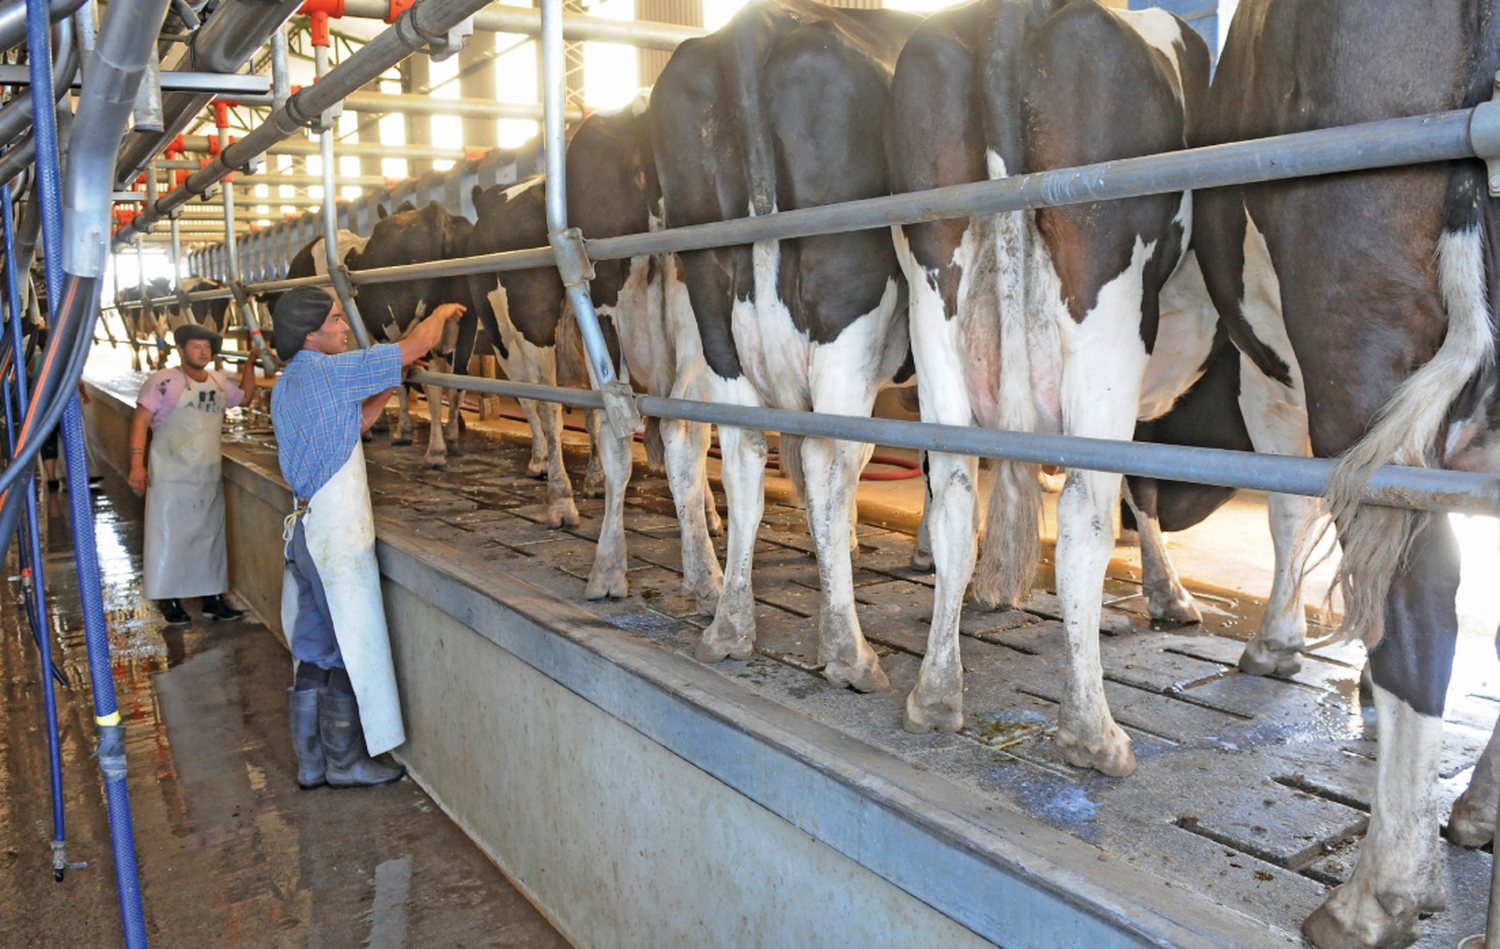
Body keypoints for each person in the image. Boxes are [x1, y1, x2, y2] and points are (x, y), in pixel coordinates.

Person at [271, 286, 463, 790]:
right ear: (311, 333)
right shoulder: (331, 371)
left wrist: (392, 384)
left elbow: (352, 425)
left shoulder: (289, 383)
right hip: (336, 537)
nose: (343, 328)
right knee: (349, 647)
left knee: (313, 648)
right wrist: (442, 310)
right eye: (335, 319)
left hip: (304, 534)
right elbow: (416, 344)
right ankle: (345, 763)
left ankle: (311, 765)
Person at [129, 323, 255, 626]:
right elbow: (139, 422)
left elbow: (246, 398)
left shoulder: (218, 381)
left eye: (207, 347)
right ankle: (168, 599)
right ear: (182, 349)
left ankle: (212, 599)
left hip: (207, 472)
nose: (203, 351)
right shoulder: (163, 381)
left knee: (209, 536)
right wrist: (136, 464)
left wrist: (249, 364)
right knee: (168, 535)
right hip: (169, 474)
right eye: (197, 346)